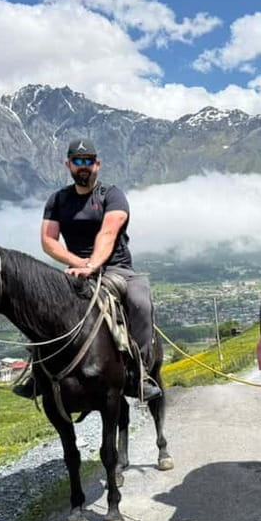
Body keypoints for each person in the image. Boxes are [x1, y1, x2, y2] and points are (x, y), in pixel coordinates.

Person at [13, 137, 162, 401]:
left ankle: (139, 374)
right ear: (68, 164)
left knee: (140, 302)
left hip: (116, 268)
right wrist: (79, 264)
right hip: (75, 271)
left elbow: (108, 232)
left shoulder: (112, 195)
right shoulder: (58, 200)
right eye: (78, 161)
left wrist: (93, 264)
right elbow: (48, 240)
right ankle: (37, 373)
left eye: (89, 161)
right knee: (42, 305)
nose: (84, 166)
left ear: (98, 164)